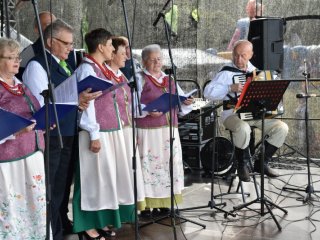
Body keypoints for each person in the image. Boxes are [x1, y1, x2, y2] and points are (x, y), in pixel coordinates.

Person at [22, 19, 102, 240]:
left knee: (64, 183)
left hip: (68, 130)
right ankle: (51, 229)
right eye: (66, 43)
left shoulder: (67, 64)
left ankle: (61, 220)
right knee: (51, 185)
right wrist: (77, 100)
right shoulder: (37, 66)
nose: (70, 48)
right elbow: (40, 104)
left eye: (71, 44)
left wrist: (81, 101)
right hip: (51, 133)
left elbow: (67, 96)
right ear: (50, 42)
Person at [72, 31, 145, 239]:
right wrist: (94, 134)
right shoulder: (88, 68)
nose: (114, 49)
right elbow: (88, 104)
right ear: (101, 47)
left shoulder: (101, 68)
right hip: (95, 132)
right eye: (111, 45)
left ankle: (101, 221)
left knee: (105, 179)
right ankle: (87, 226)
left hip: (109, 131)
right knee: (92, 180)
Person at [204, 40, 289, 182]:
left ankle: (262, 162)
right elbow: (207, 92)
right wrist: (229, 88)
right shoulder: (226, 72)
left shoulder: (257, 72)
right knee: (243, 128)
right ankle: (242, 165)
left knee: (282, 128)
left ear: (251, 55)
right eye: (236, 55)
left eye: (243, 56)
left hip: (255, 115)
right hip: (232, 114)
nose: (239, 59)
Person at [135, 44, 193, 217]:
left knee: (169, 165)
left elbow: (179, 100)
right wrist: (146, 110)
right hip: (149, 132)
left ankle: (165, 202)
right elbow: (131, 104)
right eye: (152, 60)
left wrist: (185, 101)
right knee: (149, 166)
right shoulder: (140, 79)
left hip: (169, 131)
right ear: (144, 62)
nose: (157, 63)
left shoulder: (169, 80)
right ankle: (146, 204)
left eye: (159, 59)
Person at [0, 38, 46, 239]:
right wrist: (15, 132)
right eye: (11, 57)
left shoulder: (21, 85)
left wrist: (45, 122)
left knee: (34, 204)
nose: (17, 61)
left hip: (32, 155)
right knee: (12, 208)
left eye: (17, 56)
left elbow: (35, 112)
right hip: (8, 161)